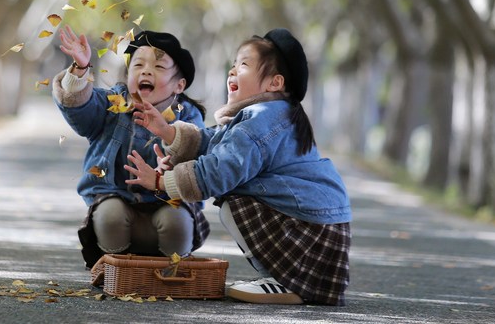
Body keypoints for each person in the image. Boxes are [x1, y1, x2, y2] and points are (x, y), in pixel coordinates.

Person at [125, 28, 351, 305]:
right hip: (319, 226)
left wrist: (160, 183)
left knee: (233, 201)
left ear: (274, 83)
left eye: (243, 65)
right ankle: (285, 279)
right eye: (232, 65)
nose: (232, 72)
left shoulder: (261, 120)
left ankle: (285, 282)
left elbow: (219, 172)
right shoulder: (269, 113)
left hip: (312, 230)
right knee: (235, 195)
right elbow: (214, 142)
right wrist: (167, 131)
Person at [53, 25, 210, 268]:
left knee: (176, 221)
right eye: (138, 65)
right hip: (117, 210)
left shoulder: (187, 116)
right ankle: (119, 270)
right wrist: (81, 69)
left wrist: (168, 133)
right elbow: (80, 109)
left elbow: (196, 151)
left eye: (158, 67)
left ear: (179, 86)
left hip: (168, 210)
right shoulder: (114, 103)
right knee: (110, 215)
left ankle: (170, 271)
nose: (146, 71)